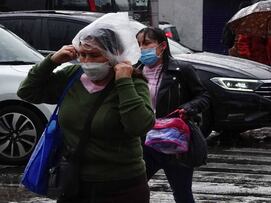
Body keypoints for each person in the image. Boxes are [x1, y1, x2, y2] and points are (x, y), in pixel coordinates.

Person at [17, 13, 155, 203]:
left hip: (121, 186)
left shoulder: (132, 83)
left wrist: (123, 81)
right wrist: (52, 61)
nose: (87, 61)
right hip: (75, 182)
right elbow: (27, 92)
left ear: (113, 54)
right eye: (82, 54)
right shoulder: (72, 76)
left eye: (94, 55)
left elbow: (139, 126)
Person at [135, 27, 211, 203]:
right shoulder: (134, 71)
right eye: (139, 44)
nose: (142, 49)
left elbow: (204, 96)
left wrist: (189, 107)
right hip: (144, 142)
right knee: (133, 190)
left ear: (162, 46)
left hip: (174, 141)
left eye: (147, 43)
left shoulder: (181, 70)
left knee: (182, 193)